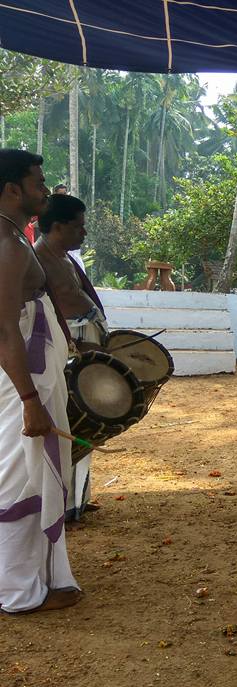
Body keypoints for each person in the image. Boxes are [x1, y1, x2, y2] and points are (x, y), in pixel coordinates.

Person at [0, 149, 81, 614]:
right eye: (38, 182)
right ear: (13, 189)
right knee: (18, 479)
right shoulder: (7, 246)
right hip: (20, 382)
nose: (45, 190)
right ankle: (15, 593)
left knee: (27, 472)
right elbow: (4, 327)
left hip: (28, 374)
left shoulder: (13, 237)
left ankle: (33, 579)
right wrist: (29, 399)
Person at [34, 194, 105, 520]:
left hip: (85, 343)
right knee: (68, 422)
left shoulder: (64, 257)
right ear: (58, 226)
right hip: (65, 351)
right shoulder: (36, 261)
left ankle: (78, 501)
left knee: (88, 422)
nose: (84, 233)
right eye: (79, 226)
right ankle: (61, 505)